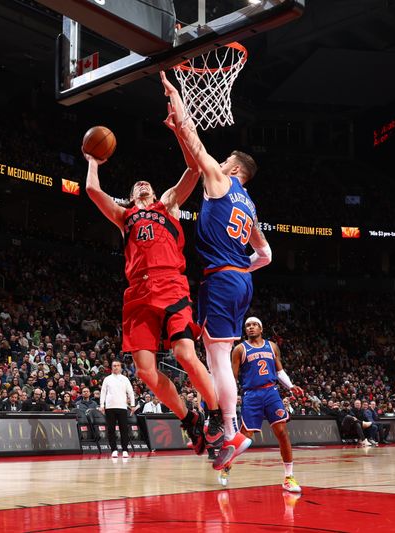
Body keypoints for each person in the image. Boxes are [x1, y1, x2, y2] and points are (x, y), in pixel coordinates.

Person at [83, 101, 225, 457]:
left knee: (186, 354)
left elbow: (194, 168)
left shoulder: (168, 203)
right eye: (137, 185)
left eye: (146, 183)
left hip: (171, 282)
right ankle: (189, 419)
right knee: (145, 371)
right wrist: (92, 162)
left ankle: (217, 414)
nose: (143, 185)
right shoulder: (124, 216)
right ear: (131, 196)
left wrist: (179, 129)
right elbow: (92, 192)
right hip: (138, 292)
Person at [161, 71, 271, 470]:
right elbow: (268, 254)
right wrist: (245, 268)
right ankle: (228, 429)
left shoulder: (223, 182)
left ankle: (230, 430)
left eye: (224, 162)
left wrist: (178, 102)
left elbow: (197, 146)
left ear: (234, 168)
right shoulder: (250, 205)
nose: (218, 164)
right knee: (216, 352)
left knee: (219, 357)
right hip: (239, 279)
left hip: (223, 277)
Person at [227, 317, 303, 492]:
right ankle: (227, 462)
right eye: (247, 326)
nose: (251, 327)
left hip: (271, 392)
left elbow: (279, 370)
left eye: (254, 325)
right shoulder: (239, 349)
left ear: (261, 328)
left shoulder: (272, 346)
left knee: (282, 433)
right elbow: (233, 377)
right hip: (251, 394)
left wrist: (291, 386)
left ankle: (288, 477)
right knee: (245, 437)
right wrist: (231, 398)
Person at [100, 361, 135, 458]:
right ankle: (114, 450)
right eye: (114, 366)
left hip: (122, 407)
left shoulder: (125, 379)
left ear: (121, 367)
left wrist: (132, 405)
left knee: (124, 429)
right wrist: (102, 405)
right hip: (110, 407)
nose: (116, 367)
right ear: (111, 367)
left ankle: (125, 450)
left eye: (118, 365)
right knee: (111, 429)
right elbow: (103, 392)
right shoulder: (107, 379)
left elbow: (131, 392)